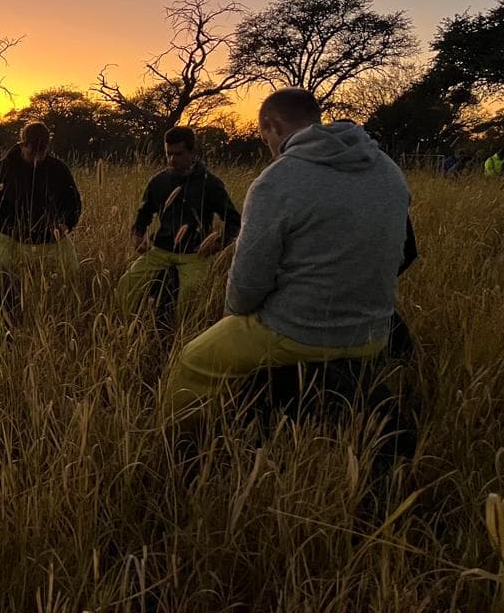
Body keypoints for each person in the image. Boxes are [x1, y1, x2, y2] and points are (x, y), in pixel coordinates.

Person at [162, 90, 411, 415]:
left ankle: (182, 450)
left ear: (271, 125)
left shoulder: (276, 180)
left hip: (299, 332)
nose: (268, 147)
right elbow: (404, 249)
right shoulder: (388, 169)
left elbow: (245, 289)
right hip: (375, 331)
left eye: (264, 136)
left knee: (193, 360)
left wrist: (237, 314)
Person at [115, 126, 242, 318]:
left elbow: (234, 220)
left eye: (178, 153)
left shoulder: (210, 184)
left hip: (193, 253)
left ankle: (181, 338)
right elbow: (144, 213)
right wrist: (137, 234)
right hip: (160, 250)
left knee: (191, 294)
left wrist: (217, 244)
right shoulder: (159, 181)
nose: (172, 159)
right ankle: (127, 327)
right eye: (168, 154)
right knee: (126, 284)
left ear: (192, 152)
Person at [0, 122, 82, 278]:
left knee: (72, 272)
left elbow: (73, 202)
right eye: (32, 153)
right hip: (10, 238)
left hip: (51, 237)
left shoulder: (58, 169)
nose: (37, 158)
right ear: (23, 145)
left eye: (41, 153)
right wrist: (8, 229)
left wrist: (67, 224)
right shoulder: (2, 169)